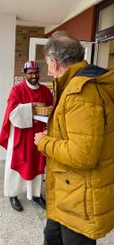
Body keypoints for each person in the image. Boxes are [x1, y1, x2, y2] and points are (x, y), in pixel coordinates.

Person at [34, 31, 114, 245]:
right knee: (51, 238)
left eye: (48, 64)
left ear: (55, 62)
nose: (47, 69)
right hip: (67, 191)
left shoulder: (81, 93)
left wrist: (44, 142)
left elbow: (83, 155)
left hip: (79, 197)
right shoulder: (74, 85)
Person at [0, 60, 53, 212]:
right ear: (25, 74)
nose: (34, 76)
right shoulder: (17, 90)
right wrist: (33, 105)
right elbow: (12, 112)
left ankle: (35, 194)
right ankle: (12, 194)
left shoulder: (45, 91)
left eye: (36, 73)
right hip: (20, 134)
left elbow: (51, 109)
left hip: (38, 134)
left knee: (36, 163)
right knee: (17, 162)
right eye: (30, 73)